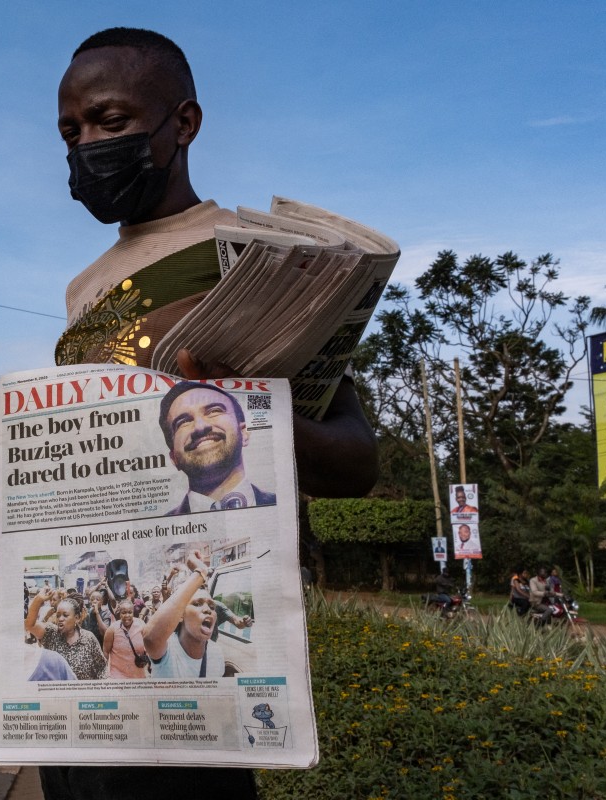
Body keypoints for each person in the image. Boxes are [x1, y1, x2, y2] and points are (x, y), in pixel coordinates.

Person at [43, 26, 379, 800]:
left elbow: (356, 461)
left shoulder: (257, 262)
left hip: (194, 652)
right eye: (71, 132)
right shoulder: (81, 289)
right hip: (99, 655)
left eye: (110, 121)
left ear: (184, 123)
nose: (87, 145)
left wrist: (246, 411)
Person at [159, 381, 276, 514]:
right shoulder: (160, 526)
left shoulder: (286, 503)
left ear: (243, 433)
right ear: (174, 458)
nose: (200, 426)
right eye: (183, 422)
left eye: (214, 411)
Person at [142, 550, 224, 678]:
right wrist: (201, 571)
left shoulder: (216, 654)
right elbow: (150, 638)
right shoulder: (168, 648)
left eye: (212, 606)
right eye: (197, 604)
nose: (207, 609)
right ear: (180, 615)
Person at [25, 587, 107, 680]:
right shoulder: (51, 633)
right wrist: (38, 600)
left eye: (65, 615)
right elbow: (30, 625)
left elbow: (102, 669)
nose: (60, 619)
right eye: (58, 615)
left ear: (77, 618)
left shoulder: (88, 638)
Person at [102, 600, 149, 678]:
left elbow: (148, 646)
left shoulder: (141, 625)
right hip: (117, 675)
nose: (127, 615)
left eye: (130, 612)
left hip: (138, 675)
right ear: (119, 614)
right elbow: (106, 651)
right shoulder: (112, 629)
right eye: (123, 613)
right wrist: (104, 672)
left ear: (133, 613)